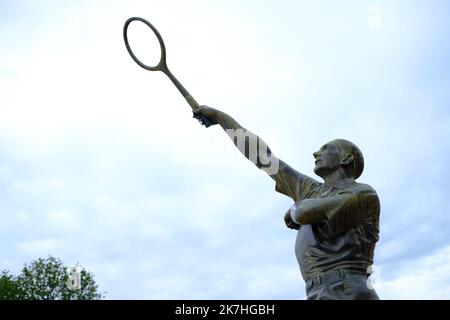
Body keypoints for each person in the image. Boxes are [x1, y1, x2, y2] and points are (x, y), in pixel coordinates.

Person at [194, 106, 380, 300]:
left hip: (348, 291)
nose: (316, 153)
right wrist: (220, 118)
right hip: (318, 291)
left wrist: (294, 209)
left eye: (326, 149)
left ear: (346, 158)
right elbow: (263, 158)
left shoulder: (363, 194)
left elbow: (303, 213)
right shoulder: (311, 191)